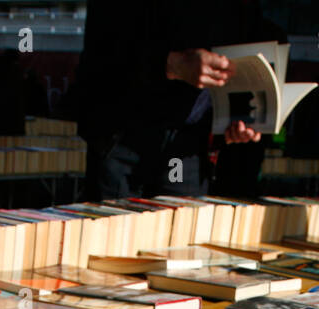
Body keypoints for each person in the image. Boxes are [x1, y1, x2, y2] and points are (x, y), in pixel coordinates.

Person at [75, 1, 266, 200]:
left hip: (183, 147)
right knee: (115, 227)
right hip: (122, 135)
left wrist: (241, 115)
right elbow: (102, 49)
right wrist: (172, 64)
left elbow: (249, 45)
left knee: (180, 226)